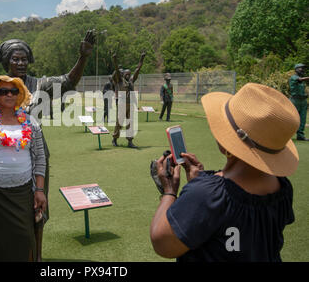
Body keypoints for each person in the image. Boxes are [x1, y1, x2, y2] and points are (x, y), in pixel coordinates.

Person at [150, 83, 300, 261]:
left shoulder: (208, 194)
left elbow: (162, 243)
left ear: (231, 141)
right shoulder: (282, 187)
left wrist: (169, 191)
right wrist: (200, 180)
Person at [0, 33, 95, 261]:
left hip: (35, 156)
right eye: (15, 59)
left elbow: (68, 82)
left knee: (38, 209)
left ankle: (36, 257)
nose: (21, 63)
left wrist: (83, 57)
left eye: (24, 59)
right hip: (4, 158)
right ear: (6, 61)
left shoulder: (39, 85)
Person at [0, 75, 46, 261]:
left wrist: (40, 189)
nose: (9, 95)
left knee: (24, 239)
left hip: (22, 193)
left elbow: (40, 158)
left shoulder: (29, 122)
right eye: (3, 91)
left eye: (14, 91)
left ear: (19, 95)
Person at [111, 51, 145, 148]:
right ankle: (115, 138)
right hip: (122, 103)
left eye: (129, 74)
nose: (128, 75)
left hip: (130, 103)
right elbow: (117, 70)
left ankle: (130, 141)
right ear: (123, 74)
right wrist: (115, 60)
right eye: (127, 73)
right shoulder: (120, 81)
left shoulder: (131, 81)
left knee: (130, 122)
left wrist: (141, 59)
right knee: (119, 122)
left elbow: (138, 69)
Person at [289, 63, 309, 141]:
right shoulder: (293, 77)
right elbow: (300, 80)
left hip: (303, 101)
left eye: (303, 68)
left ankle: (300, 135)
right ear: (296, 69)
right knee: (292, 118)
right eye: (301, 68)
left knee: (303, 118)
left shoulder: (302, 80)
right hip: (295, 100)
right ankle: (286, 135)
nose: (303, 70)